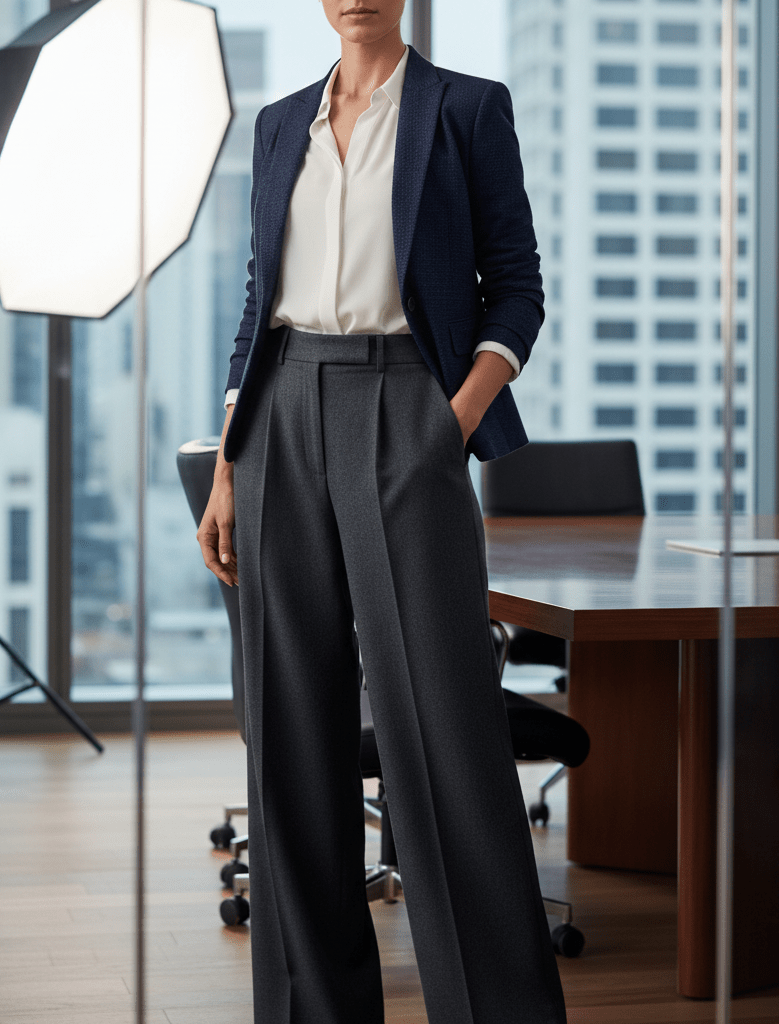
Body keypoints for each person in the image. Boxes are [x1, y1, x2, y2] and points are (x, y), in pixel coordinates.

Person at [196, 2, 567, 1022]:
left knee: (443, 729)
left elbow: (518, 290)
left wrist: (448, 423)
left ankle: (496, 1007)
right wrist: (230, 461)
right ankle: (314, 1006)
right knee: (289, 734)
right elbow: (254, 302)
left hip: (409, 403)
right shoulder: (278, 124)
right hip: (279, 420)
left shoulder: (463, 111)